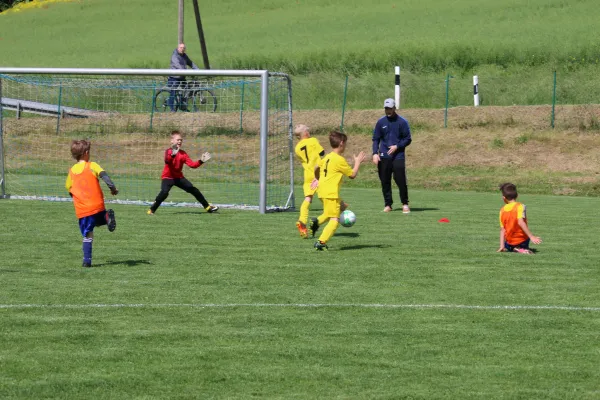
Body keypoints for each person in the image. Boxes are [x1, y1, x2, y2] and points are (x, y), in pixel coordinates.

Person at [65, 140, 118, 268]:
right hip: (97, 205)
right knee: (98, 218)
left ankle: (87, 261)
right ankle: (106, 218)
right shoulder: (92, 165)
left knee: (88, 234)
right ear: (86, 153)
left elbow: (68, 187)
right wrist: (112, 188)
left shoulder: (72, 171)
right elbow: (104, 176)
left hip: (83, 210)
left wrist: (76, 196)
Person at [310, 131, 365, 251]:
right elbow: (352, 175)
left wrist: (317, 178)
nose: (345, 146)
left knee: (342, 206)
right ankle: (321, 242)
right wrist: (357, 162)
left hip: (322, 191)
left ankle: (316, 222)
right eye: (345, 143)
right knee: (335, 219)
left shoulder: (327, 157)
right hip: (330, 193)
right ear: (341, 143)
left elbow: (316, 167)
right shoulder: (339, 160)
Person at [147, 130, 219, 215]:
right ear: (172, 141)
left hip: (179, 178)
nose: (180, 141)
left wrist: (201, 161)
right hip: (168, 177)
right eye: (178, 139)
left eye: (181, 140)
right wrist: (173, 155)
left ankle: (207, 207)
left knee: (194, 190)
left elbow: (192, 165)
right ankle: (151, 210)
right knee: (164, 193)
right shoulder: (168, 151)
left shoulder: (183, 154)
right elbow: (167, 161)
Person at [372, 98, 412, 213]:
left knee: (400, 180)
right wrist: (375, 153)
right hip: (384, 156)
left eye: (390, 108)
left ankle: (405, 203)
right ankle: (388, 204)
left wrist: (397, 146)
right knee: (385, 181)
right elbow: (376, 139)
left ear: (394, 108)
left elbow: (408, 139)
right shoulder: (381, 122)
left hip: (398, 156)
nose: (388, 111)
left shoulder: (402, 122)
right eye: (386, 108)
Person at [293, 124, 325, 238]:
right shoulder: (313, 140)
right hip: (318, 173)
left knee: (308, 198)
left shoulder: (297, 148)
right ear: (305, 133)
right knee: (326, 197)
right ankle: (329, 218)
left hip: (307, 175)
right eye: (307, 130)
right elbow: (322, 153)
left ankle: (302, 221)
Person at [497, 182, 542, 254]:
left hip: (510, 242)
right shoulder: (520, 206)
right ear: (517, 195)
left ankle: (515, 248)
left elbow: (502, 230)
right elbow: (520, 222)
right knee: (523, 242)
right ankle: (520, 248)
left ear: (504, 198)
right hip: (523, 240)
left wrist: (502, 246)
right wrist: (531, 236)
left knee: (507, 245)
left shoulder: (502, 210)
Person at [167, 43, 200, 111]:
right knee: (173, 92)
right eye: (181, 47)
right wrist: (186, 71)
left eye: (183, 48)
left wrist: (197, 70)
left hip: (181, 78)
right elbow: (178, 66)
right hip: (174, 78)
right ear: (178, 48)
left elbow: (191, 63)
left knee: (188, 90)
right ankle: (172, 108)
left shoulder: (184, 56)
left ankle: (182, 105)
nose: (182, 49)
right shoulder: (174, 56)